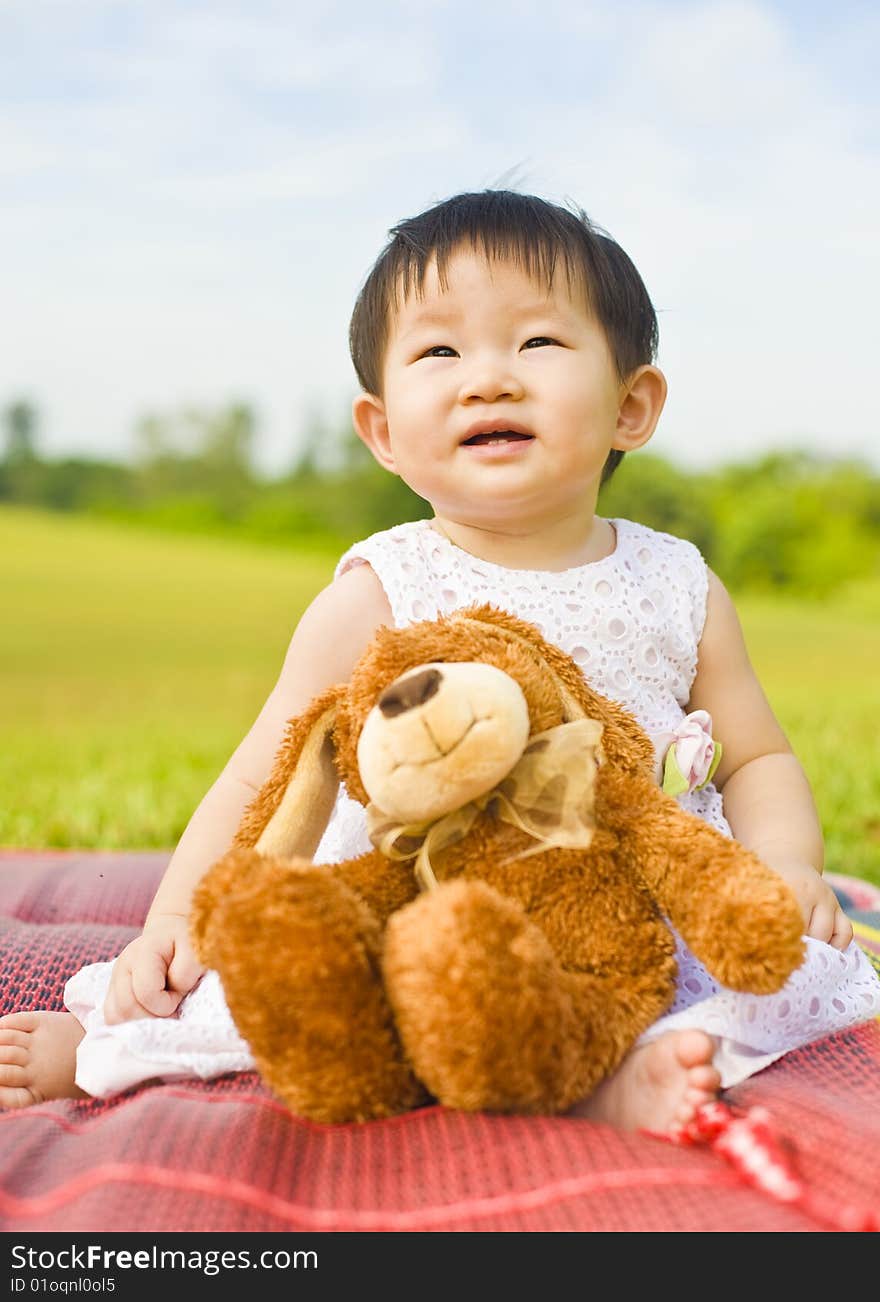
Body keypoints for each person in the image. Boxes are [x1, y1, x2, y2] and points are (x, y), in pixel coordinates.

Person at [3, 190, 879, 1129]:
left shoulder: (679, 585)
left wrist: (786, 869)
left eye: (537, 343)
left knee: (763, 981)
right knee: (308, 986)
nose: (488, 380)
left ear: (632, 404)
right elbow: (269, 771)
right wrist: (175, 924)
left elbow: (756, 758)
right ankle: (107, 1050)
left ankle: (619, 1080)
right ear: (382, 431)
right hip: (426, 905)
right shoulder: (378, 591)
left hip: (626, 917)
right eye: (439, 352)